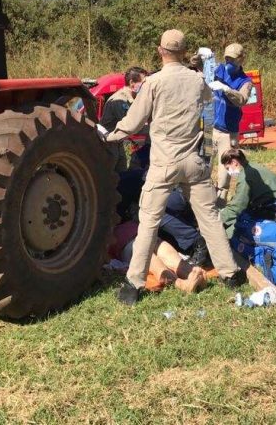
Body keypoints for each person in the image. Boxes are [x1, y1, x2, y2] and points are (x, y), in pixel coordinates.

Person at [102, 29, 244, 306]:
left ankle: (134, 285)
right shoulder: (198, 80)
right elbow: (208, 115)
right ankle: (230, 274)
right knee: (210, 219)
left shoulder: (153, 82)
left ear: (160, 51)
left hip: (163, 164)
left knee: (148, 224)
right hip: (194, 162)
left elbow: (133, 122)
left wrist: (109, 135)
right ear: (183, 52)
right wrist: (206, 155)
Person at [109, 220, 207, 294]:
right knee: (145, 249)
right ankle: (182, 278)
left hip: (138, 234)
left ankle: (187, 273)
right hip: (129, 240)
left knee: (155, 244)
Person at [211, 43, 254, 202]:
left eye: (233, 59)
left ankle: (221, 206)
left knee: (225, 176)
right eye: (227, 58)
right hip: (210, 129)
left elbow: (242, 99)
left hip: (228, 134)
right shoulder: (218, 70)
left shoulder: (245, 81)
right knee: (202, 170)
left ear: (241, 59)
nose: (229, 62)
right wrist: (201, 57)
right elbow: (199, 68)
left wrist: (226, 89)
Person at [218, 149, 276, 238]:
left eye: (228, 168)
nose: (229, 172)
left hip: (272, 211)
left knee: (228, 234)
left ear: (234, 162)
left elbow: (237, 207)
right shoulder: (252, 166)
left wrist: (217, 219)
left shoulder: (245, 176)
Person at [100, 66, 149, 171]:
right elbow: (133, 126)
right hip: (110, 146)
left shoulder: (132, 99)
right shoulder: (119, 100)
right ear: (132, 83)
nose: (146, 86)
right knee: (127, 171)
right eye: (143, 83)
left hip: (121, 142)